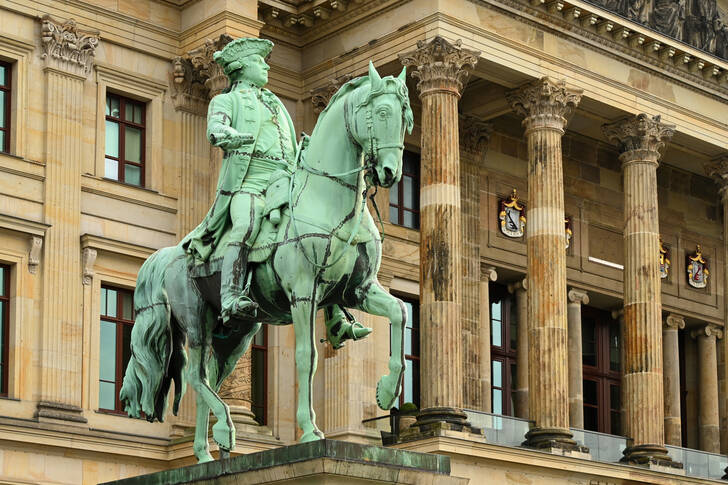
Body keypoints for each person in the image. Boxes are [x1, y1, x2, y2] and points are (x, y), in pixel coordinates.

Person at [183, 38, 297, 325]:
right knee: (245, 225)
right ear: (243, 67)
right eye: (259, 62)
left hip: (283, 183)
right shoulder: (226, 100)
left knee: (317, 230)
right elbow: (216, 128)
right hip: (248, 183)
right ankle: (232, 293)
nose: (265, 67)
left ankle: (335, 314)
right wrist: (227, 135)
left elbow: (289, 146)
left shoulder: (276, 105)